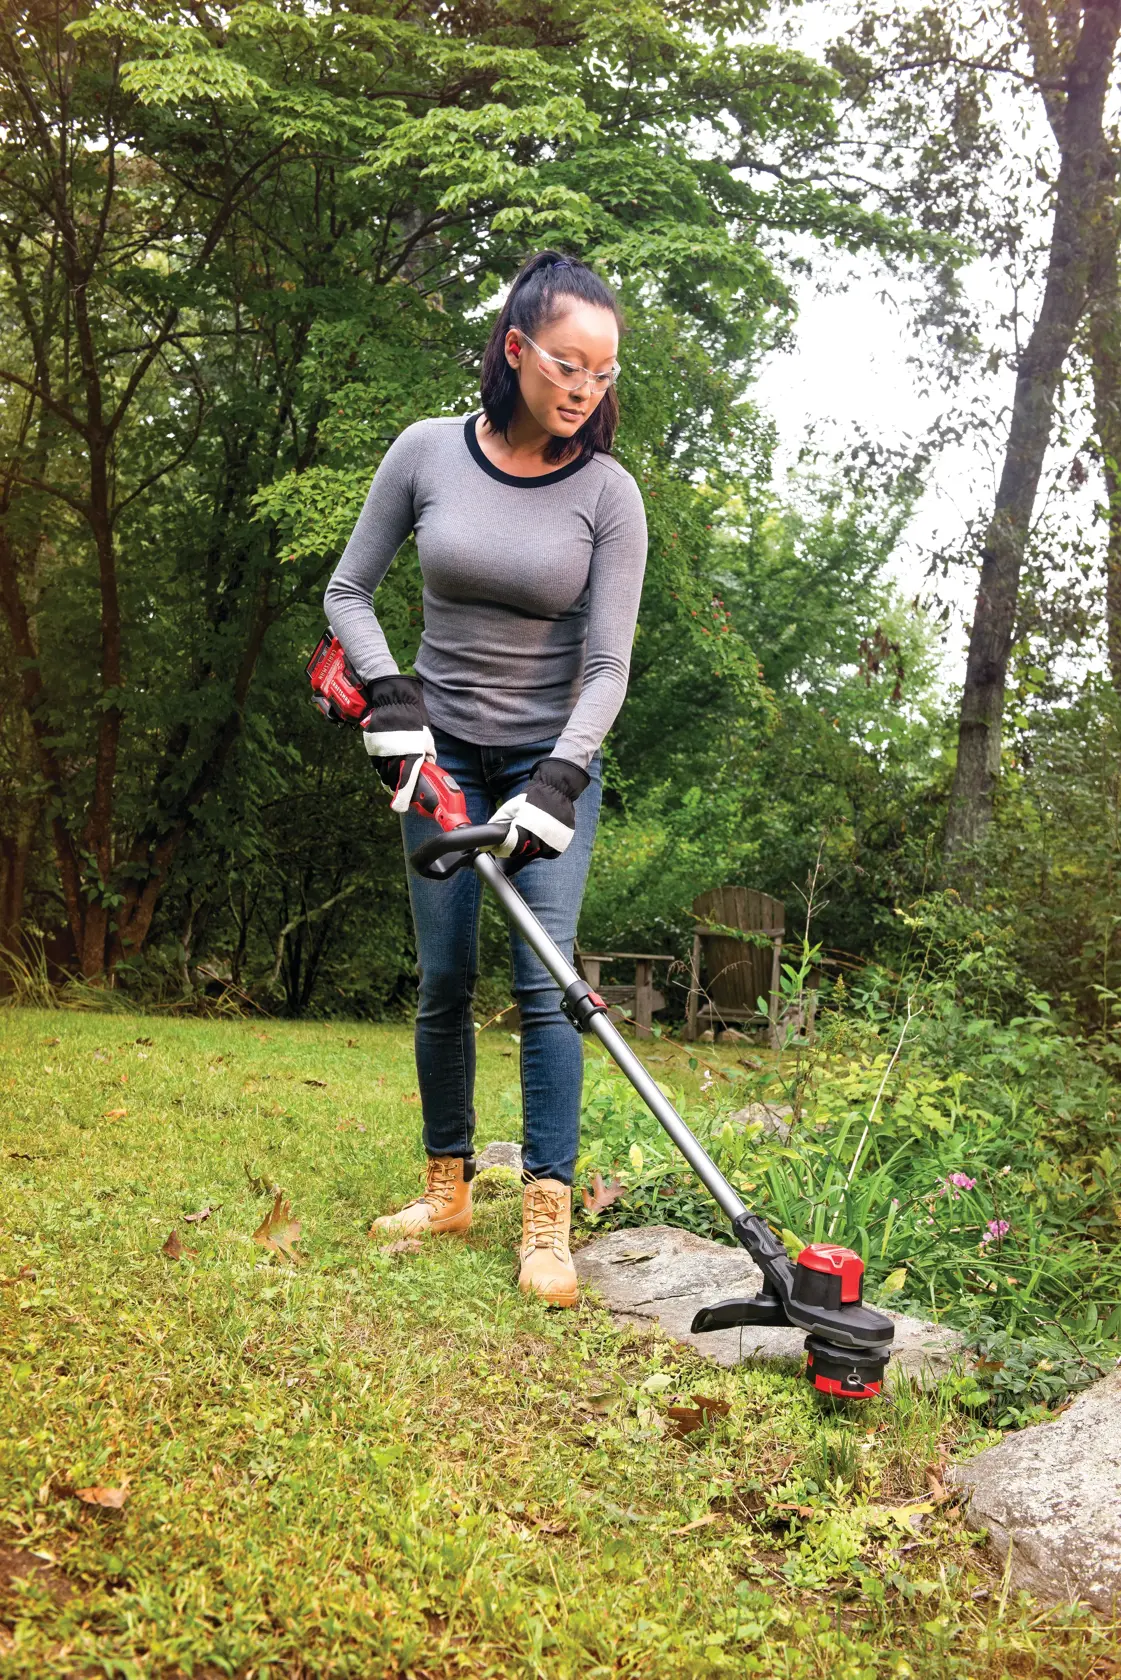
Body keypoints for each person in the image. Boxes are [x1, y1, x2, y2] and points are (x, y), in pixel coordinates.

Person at [323, 250, 648, 1306]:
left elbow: (606, 667)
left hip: (550, 763)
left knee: (549, 990)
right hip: (438, 754)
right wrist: (390, 698)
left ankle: (545, 1219)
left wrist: (559, 779)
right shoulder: (425, 453)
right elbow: (348, 591)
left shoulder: (608, 494)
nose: (582, 391)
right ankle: (448, 1186)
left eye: (601, 375)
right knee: (443, 978)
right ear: (515, 349)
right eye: (566, 364)